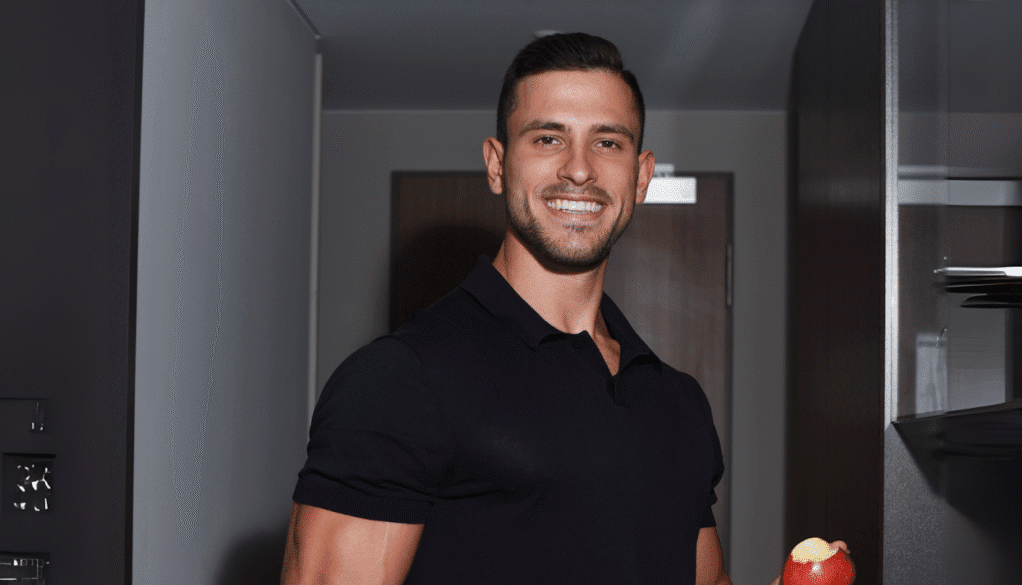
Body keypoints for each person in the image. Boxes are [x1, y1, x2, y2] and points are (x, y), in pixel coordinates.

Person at [281, 32, 845, 585]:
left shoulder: (677, 403)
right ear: (498, 165)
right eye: (548, 139)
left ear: (642, 175)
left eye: (607, 142)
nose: (579, 169)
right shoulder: (402, 379)